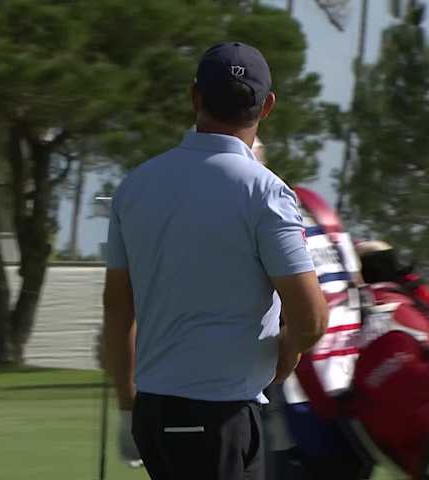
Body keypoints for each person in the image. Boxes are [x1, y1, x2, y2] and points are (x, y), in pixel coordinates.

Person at [101, 41, 329, 480]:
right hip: (219, 414)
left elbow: (117, 307)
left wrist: (127, 405)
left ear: (195, 97)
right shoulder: (267, 193)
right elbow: (312, 317)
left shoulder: (134, 187)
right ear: (267, 108)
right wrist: (287, 354)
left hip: (154, 411)